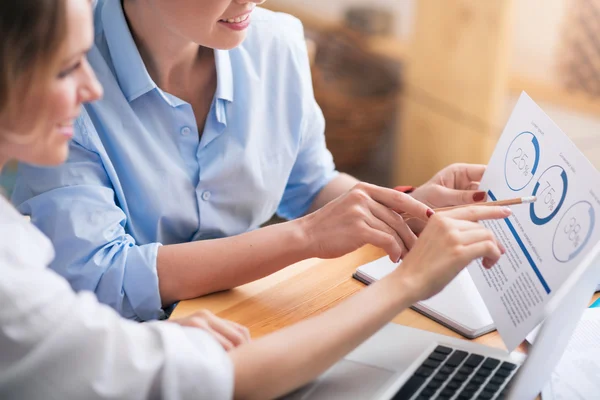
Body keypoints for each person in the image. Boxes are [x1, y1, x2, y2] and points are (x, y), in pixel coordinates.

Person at [0, 1, 510, 398]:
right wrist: (310, 239)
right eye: (68, 69)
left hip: (236, 327)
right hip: (136, 348)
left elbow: (310, 184)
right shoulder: (53, 64)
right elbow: (103, 275)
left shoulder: (275, 44)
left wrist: (407, 207)